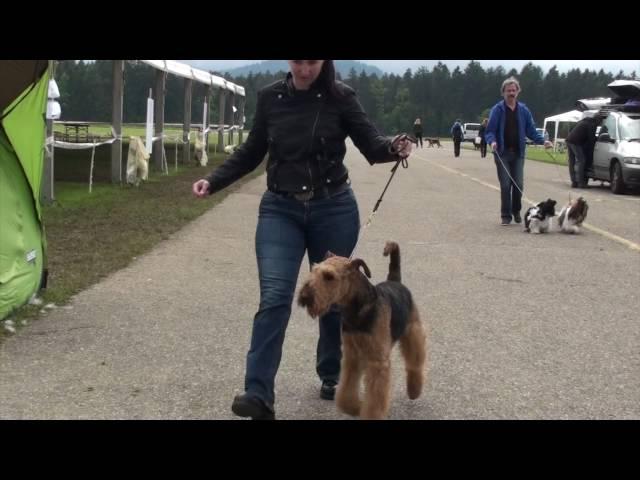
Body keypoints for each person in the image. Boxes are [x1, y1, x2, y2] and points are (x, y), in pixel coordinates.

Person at [192, 60, 413, 420]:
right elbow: (251, 151)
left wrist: (394, 146)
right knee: (276, 297)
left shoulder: (342, 97)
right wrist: (214, 180)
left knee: (334, 295)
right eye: (298, 61)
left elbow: (372, 145)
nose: (305, 69)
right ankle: (258, 392)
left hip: (334, 208)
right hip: (280, 209)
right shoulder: (270, 98)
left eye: (312, 61)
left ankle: (331, 373)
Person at [485, 76, 553, 226]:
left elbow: (531, 131)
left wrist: (543, 141)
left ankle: (516, 210)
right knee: (505, 185)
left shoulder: (523, 110)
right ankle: (505, 215)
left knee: (518, 185)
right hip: (502, 153)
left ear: (518, 92)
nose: (511, 93)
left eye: (514, 90)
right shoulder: (497, 110)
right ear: (503, 92)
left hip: (518, 154)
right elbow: (489, 131)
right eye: (508, 90)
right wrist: (493, 141)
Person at [566, 112, 599, 188]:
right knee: (581, 160)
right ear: (598, 120)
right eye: (599, 121)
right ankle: (581, 182)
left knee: (572, 162)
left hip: (569, 140)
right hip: (575, 142)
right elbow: (591, 139)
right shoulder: (592, 124)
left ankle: (574, 182)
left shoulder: (585, 121)